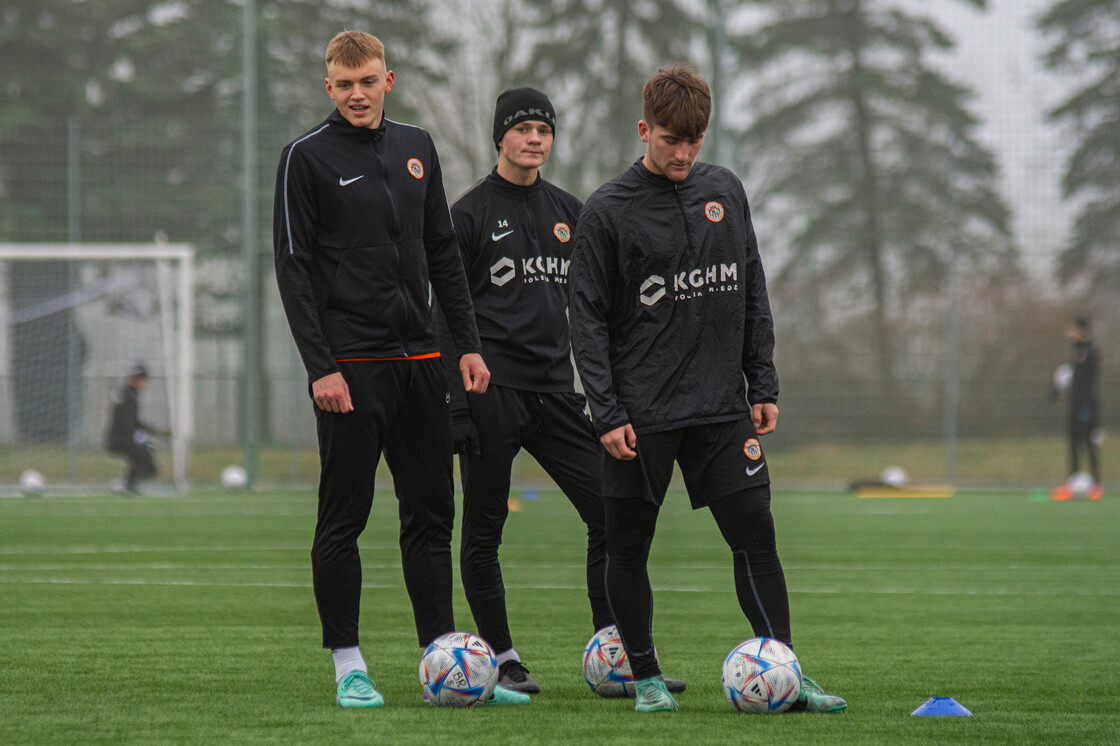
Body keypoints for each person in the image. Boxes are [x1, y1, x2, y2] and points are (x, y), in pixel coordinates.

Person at [569, 63, 847, 714]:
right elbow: (586, 322)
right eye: (671, 140)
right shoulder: (608, 212)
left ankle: (784, 671)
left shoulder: (725, 190)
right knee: (628, 543)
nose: (684, 153)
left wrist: (764, 380)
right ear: (644, 130)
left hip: (722, 408)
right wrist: (606, 412)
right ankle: (643, 678)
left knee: (756, 536)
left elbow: (751, 287)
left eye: (695, 140)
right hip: (641, 414)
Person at [273, 30, 525, 708]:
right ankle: (348, 665)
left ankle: (446, 661)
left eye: (368, 81)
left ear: (389, 81)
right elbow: (293, 273)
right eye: (344, 84)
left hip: (424, 363)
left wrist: (466, 346)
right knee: (343, 518)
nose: (357, 93)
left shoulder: (418, 147)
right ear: (329, 88)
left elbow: (443, 251)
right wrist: (320, 367)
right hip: (351, 369)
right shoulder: (305, 158)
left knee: (431, 519)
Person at [436, 87, 685, 696]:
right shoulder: (468, 215)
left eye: (543, 130)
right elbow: (445, 314)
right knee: (485, 528)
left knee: (609, 515)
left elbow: (603, 305)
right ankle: (503, 657)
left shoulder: (573, 211)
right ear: (501, 137)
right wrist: (456, 403)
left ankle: (614, 649)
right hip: (493, 391)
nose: (534, 139)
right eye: (522, 129)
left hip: (557, 391)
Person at [1051, 315, 1103, 501]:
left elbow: (1088, 380)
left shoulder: (1091, 351)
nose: (1070, 333)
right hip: (1074, 404)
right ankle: (1071, 484)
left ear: (1081, 330)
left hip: (1087, 405)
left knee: (1089, 443)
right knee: (1073, 443)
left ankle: (1096, 485)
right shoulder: (1075, 350)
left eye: (1073, 329)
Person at [104, 363, 159, 494]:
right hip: (119, 439)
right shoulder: (128, 395)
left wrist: (155, 431)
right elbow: (128, 423)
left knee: (146, 452)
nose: (141, 381)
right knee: (143, 453)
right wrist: (139, 437)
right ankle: (126, 483)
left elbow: (134, 422)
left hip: (125, 437)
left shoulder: (130, 394)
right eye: (139, 378)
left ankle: (128, 482)